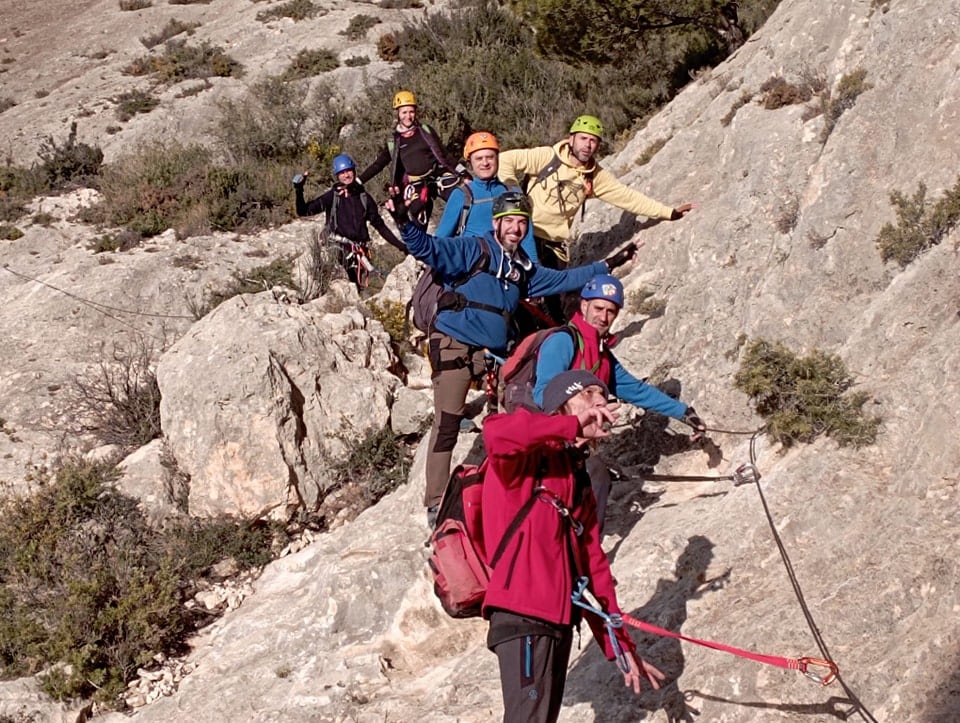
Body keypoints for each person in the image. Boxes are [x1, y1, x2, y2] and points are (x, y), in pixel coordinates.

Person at [386, 191, 638, 524]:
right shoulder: (473, 249)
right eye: (510, 221)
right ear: (496, 223)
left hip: (491, 355)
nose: (516, 229)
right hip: (455, 346)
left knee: (516, 418)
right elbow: (429, 249)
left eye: (522, 222)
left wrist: (610, 263)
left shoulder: (522, 269)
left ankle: (518, 486)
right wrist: (404, 222)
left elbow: (564, 279)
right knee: (448, 422)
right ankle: (436, 503)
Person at [482, 369, 665, 722]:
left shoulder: (578, 478)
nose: (601, 402)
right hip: (522, 616)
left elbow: (594, 566)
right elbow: (496, 435)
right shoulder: (526, 459)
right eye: (588, 395)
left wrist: (619, 645)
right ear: (561, 407)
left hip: (560, 622)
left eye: (604, 397)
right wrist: (568, 425)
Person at [532, 274, 706, 527]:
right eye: (598, 308)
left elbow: (635, 390)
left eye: (610, 311)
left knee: (597, 481)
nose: (603, 317)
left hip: (575, 441)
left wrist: (683, 411)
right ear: (583, 306)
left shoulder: (602, 355)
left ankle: (585, 550)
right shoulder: (563, 341)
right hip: (549, 440)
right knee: (591, 480)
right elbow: (542, 394)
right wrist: (578, 410)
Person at [499, 115, 694, 320]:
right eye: (583, 138)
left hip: (553, 246)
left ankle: (559, 342)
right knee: (514, 290)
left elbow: (627, 197)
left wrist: (668, 212)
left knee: (558, 304)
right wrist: (513, 192)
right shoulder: (547, 157)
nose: (588, 145)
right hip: (523, 236)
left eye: (593, 141)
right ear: (571, 138)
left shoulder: (594, 176)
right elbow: (504, 161)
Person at [292, 154, 405, 289]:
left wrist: (401, 246)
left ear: (354, 172)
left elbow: (380, 227)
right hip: (337, 250)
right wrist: (299, 190)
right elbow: (304, 211)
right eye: (342, 173)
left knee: (360, 290)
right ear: (337, 176)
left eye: (348, 171)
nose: (346, 175)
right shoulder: (333, 196)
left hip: (359, 253)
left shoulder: (364, 198)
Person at [359, 90, 464, 228]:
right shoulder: (394, 141)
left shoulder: (425, 131)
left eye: (411, 112)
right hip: (416, 185)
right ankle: (420, 248)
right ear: (397, 114)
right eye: (404, 112)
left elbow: (445, 155)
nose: (408, 116)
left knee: (460, 201)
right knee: (418, 220)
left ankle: (464, 236)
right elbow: (379, 164)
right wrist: (359, 181)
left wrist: (464, 172)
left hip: (437, 178)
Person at [434, 131, 539, 263]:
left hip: (509, 268)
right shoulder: (461, 195)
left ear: (497, 159)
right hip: (474, 271)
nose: (485, 163)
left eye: (490, 157)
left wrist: (536, 271)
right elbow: (441, 240)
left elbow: (527, 239)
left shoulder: (513, 192)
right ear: (470, 163)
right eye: (478, 158)